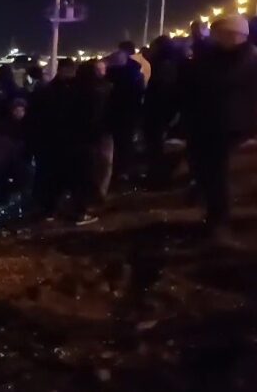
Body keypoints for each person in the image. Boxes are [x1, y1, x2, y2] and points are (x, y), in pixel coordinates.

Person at [180, 15, 257, 240]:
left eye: (219, 33)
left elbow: (225, 84)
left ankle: (219, 221)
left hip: (230, 125)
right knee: (206, 171)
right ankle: (213, 214)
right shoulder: (213, 57)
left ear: (236, 34)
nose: (214, 37)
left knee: (218, 174)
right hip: (207, 122)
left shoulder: (249, 59)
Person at [28, 58, 96, 225]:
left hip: (52, 143)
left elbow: (35, 118)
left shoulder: (47, 91)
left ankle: (49, 211)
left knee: (53, 179)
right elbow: (86, 118)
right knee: (77, 179)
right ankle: (79, 213)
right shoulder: (78, 91)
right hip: (72, 143)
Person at [143, 35, 184, 188]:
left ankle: (158, 179)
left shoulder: (163, 66)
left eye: (153, 46)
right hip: (163, 111)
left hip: (159, 112)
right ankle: (159, 177)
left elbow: (161, 91)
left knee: (157, 146)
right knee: (158, 146)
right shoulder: (170, 63)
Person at [107, 44, 146, 184]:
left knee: (117, 143)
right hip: (130, 112)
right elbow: (140, 92)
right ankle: (124, 172)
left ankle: (117, 172)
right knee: (126, 143)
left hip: (117, 113)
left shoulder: (113, 73)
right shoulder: (137, 71)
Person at [77, 59, 114, 204]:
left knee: (101, 163)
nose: (102, 71)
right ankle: (97, 193)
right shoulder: (104, 88)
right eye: (99, 69)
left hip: (99, 130)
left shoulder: (106, 87)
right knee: (99, 163)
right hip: (95, 130)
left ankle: (97, 193)